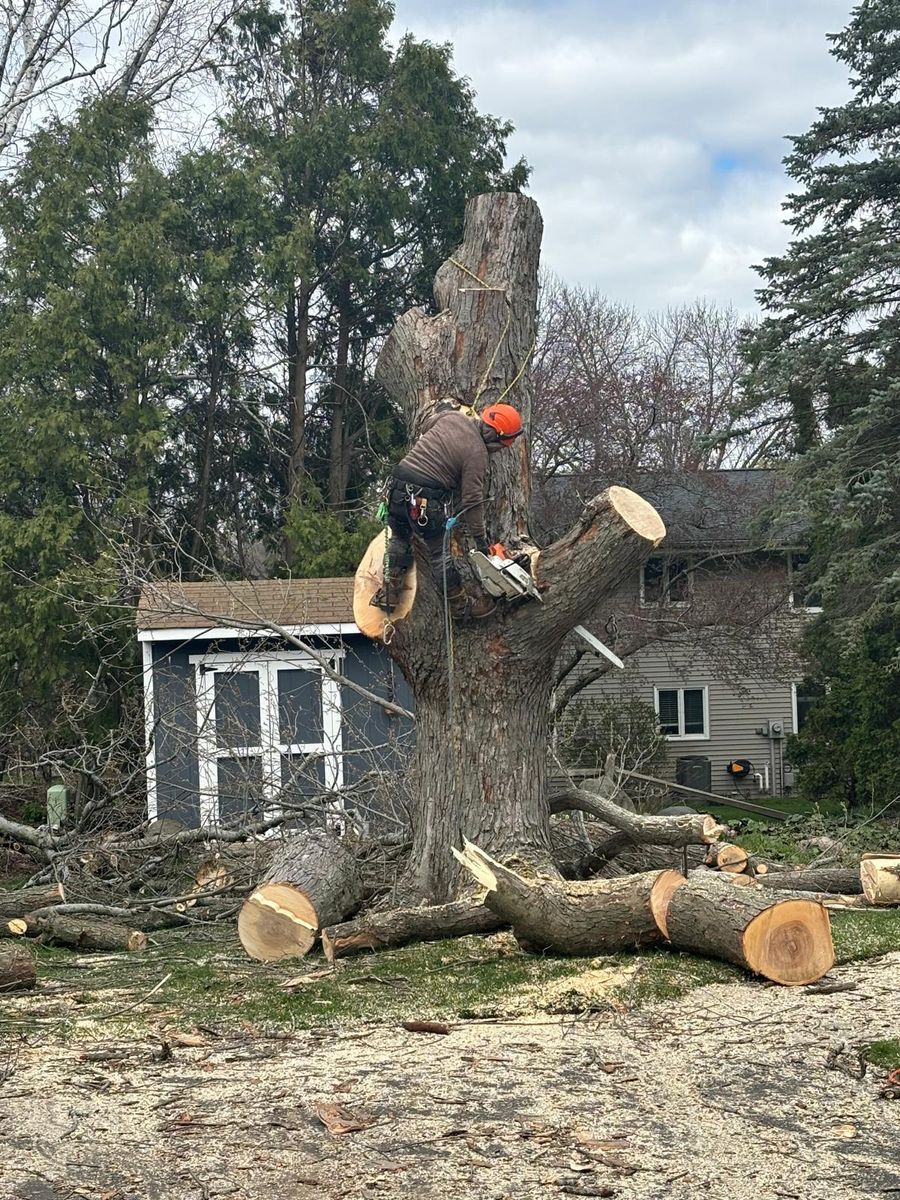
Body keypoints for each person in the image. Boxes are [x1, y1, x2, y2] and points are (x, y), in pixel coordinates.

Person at [374, 399, 524, 617]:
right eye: (501, 446)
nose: (498, 450)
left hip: (397, 486)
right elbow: (472, 500)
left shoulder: (452, 417)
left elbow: (426, 426)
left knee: (399, 538)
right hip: (425, 498)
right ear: (495, 437)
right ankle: (460, 607)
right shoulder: (477, 454)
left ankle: (390, 593)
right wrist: (481, 541)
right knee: (439, 554)